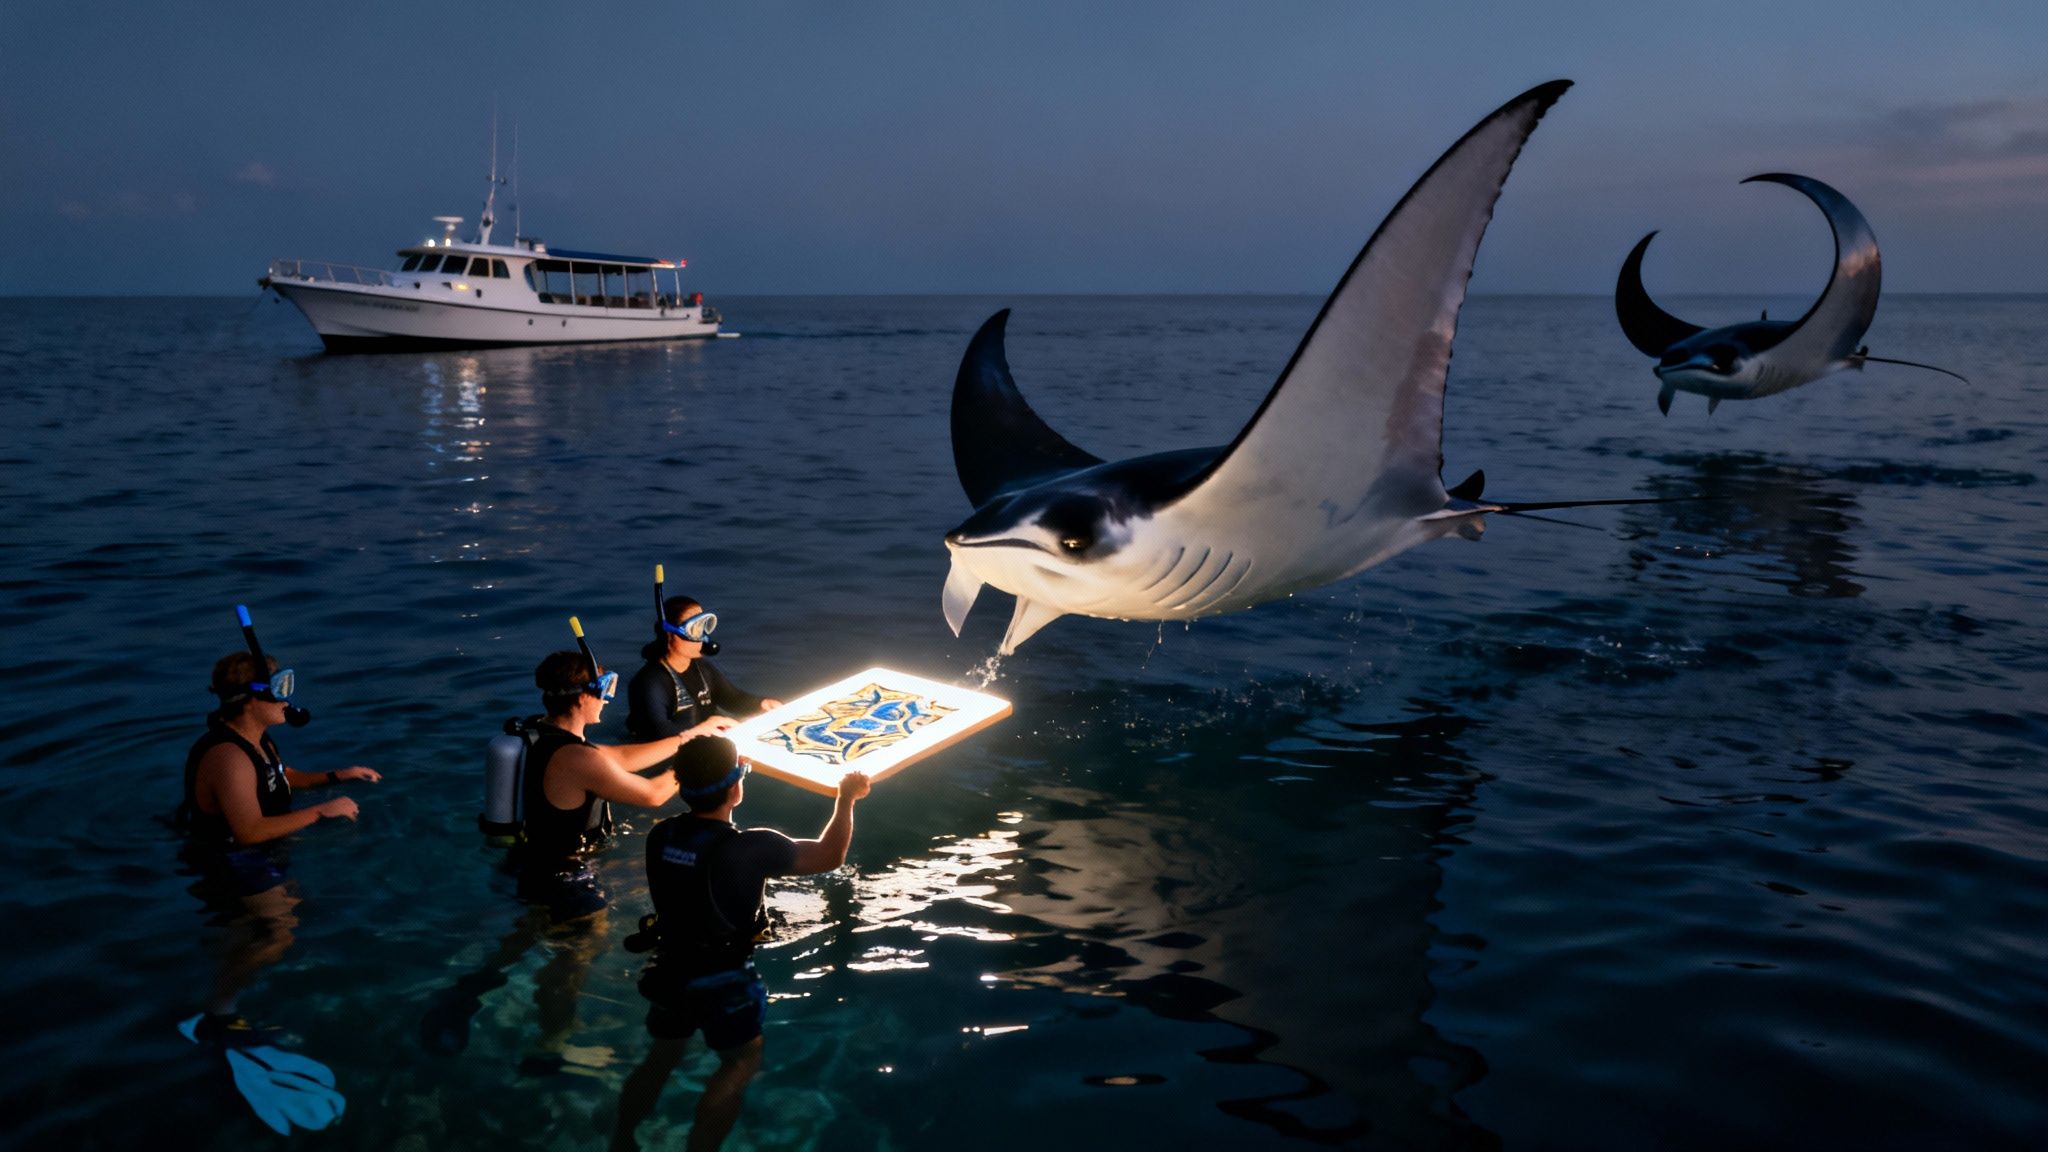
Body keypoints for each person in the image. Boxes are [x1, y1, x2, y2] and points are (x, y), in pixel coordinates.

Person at [420, 646, 736, 1068]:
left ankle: (465, 993)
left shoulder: (545, 736)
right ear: (582, 696)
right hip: (566, 879)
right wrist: (715, 762)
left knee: (524, 938)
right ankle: (554, 1044)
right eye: (604, 689)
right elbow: (654, 794)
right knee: (576, 958)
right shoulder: (576, 758)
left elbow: (619, 758)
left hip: (535, 863)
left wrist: (689, 737)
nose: (608, 698)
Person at [612, 736, 870, 1152]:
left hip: (670, 971)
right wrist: (846, 799)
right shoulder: (751, 847)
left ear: (680, 785)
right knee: (741, 1061)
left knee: (661, 1057)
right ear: (736, 788)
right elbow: (829, 855)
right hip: (723, 978)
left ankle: (621, 1141)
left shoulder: (661, 836)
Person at [179, 647, 381, 1046]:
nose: (288, 699)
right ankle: (215, 1015)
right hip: (233, 859)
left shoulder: (258, 741)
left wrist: (337, 776)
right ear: (252, 700)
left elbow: (281, 778)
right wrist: (322, 812)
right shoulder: (228, 756)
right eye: (279, 689)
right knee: (278, 933)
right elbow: (249, 831)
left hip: (258, 855)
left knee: (267, 922)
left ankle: (223, 972)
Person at [625, 596, 782, 743]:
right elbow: (659, 734)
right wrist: (706, 729)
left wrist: (762, 704)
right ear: (670, 634)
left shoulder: (702, 668)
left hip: (700, 749)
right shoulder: (649, 682)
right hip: (663, 761)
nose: (703, 637)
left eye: (704, 626)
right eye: (695, 629)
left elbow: (732, 699)